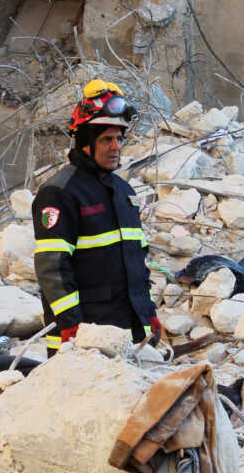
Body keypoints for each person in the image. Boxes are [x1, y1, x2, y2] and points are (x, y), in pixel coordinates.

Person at [32, 79, 162, 355]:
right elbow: (52, 267)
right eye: (106, 139)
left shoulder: (124, 192)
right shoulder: (59, 193)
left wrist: (148, 312)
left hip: (128, 339)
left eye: (119, 138)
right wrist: (71, 326)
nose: (116, 146)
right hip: (82, 342)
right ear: (85, 142)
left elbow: (137, 262)